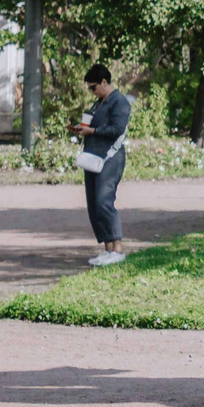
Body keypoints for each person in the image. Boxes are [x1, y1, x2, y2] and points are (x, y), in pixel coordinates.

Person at [69, 65, 131, 266]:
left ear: (104, 82)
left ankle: (118, 249)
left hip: (110, 158)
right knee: (94, 204)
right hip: (93, 157)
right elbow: (90, 124)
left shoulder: (119, 102)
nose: (92, 92)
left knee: (105, 201)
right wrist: (82, 128)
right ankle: (107, 249)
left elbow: (117, 129)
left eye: (93, 87)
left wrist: (93, 132)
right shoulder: (98, 104)